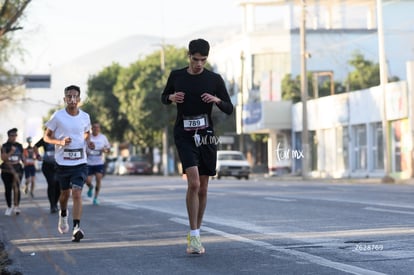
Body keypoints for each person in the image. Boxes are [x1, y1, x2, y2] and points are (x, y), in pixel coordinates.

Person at [161, 38, 233, 254]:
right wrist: (171, 97)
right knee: (193, 183)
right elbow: (164, 97)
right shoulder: (177, 75)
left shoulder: (214, 79)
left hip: (207, 136)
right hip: (184, 134)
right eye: (195, 59)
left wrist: (216, 100)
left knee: (203, 187)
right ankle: (193, 236)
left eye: (203, 59)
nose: (199, 63)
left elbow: (229, 107)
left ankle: (197, 233)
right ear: (189, 56)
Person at [44, 85, 94, 242]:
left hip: (80, 162)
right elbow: (46, 137)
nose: (72, 99)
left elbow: (87, 132)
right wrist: (60, 141)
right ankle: (63, 213)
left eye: (75, 96)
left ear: (79, 99)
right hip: (62, 163)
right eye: (69, 96)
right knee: (65, 194)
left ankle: (76, 228)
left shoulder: (85, 116)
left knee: (77, 193)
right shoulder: (58, 116)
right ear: (64, 99)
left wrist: (89, 142)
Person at [84, 122, 110, 205]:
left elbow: (108, 149)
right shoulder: (88, 137)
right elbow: (83, 148)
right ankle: (90, 187)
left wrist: (104, 150)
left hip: (99, 162)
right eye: (94, 127)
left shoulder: (103, 137)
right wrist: (85, 153)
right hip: (89, 163)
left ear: (99, 129)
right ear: (91, 129)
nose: (96, 129)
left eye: (97, 127)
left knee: (98, 178)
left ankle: (95, 198)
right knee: (87, 180)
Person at [1, 128, 24, 216]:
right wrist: (11, 152)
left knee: (17, 188)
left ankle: (16, 206)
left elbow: (22, 157)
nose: (14, 137)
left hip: (17, 169)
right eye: (12, 135)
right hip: (6, 170)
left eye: (15, 135)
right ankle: (9, 206)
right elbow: (3, 158)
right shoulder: (4, 146)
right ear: (9, 136)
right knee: (8, 188)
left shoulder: (19, 145)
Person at [34, 137, 61, 213]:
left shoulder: (60, 136)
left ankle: (55, 203)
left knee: (58, 185)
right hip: (47, 165)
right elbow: (35, 146)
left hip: (59, 165)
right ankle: (52, 205)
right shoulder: (45, 139)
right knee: (51, 183)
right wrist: (38, 155)